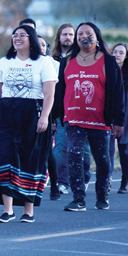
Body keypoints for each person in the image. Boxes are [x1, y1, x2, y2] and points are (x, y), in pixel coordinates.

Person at [0, 25, 57, 223]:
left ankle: (28, 211)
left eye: (22, 35)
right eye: (14, 35)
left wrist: (44, 117)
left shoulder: (43, 62)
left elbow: (49, 93)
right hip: (6, 113)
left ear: (32, 39)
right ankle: (7, 210)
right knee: (3, 157)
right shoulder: (4, 62)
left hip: (32, 114)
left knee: (30, 159)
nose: (17, 38)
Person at [54, 22, 124, 211]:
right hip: (73, 119)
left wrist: (118, 121)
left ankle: (102, 195)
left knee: (102, 159)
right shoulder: (67, 60)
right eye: (80, 33)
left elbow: (117, 93)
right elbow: (60, 90)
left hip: (100, 120)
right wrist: (56, 116)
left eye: (88, 33)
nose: (84, 36)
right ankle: (79, 199)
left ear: (96, 35)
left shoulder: (108, 61)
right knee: (74, 156)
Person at [51, 23, 80, 196]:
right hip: (61, 111)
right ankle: (61, 181)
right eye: (64, 34)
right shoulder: (52, 60)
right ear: (59, 37)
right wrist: (54, 115)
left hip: (80, 110)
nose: (67, 37)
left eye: (71, 34)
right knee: (60, 147)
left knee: (81, 149)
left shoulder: (81, 58)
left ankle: (81, 179)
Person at [37, 34, 62, 200]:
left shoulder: (53, 64)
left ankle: (54, 184)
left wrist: (52, 118)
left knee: (47, 151)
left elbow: (56, 93)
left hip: (47, 109)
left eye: (44, 45)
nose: (41, 47)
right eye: (37, 44)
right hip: (28, 109)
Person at [110, 42, 128, 194]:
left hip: (126, 113)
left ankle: (125, 180)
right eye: (115, 51)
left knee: (125, 150)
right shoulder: (109, 71)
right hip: (110, 112)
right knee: (109, 150)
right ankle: (106, 181)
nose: (117, 54)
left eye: (121, 52)